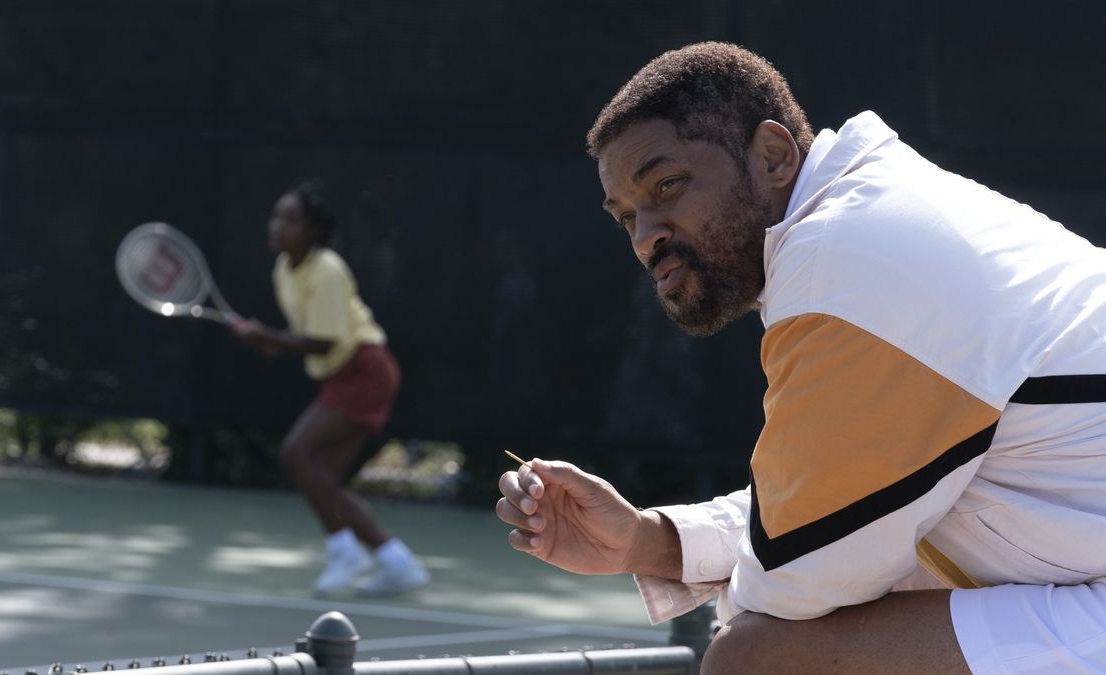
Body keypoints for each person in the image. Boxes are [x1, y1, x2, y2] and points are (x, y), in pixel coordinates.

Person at [496, 42, 1106, 674]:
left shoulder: (848, 263)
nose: (646, 234)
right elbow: (833, 511)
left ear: (773, 156)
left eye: (667, 186)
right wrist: (650, 541)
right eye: (626, 217)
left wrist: (736, 581)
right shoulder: (873, 220)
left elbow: (799, 584)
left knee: (762, 657)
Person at [232, 180, 428, 596]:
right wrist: (270, 341)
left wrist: (269, 337)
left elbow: (324, 340)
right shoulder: (284, 270)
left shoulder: (328, 270)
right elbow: (303, 334)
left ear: (314, 231)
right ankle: (397, 561)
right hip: (341, 373)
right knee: (322, 478)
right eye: (275, 217)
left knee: (297, 453)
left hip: (366, 369)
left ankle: (344, 550)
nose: (277, 226)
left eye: (289, 219)